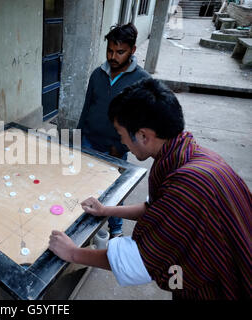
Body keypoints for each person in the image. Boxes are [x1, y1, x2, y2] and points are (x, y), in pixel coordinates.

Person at [49, 78, 252, 299]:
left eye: (121, 134)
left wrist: (73, 253)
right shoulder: (188, 154)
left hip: (224, 287)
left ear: (143, 136)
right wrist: (106, 210)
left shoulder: (189, 185)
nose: (122, 142)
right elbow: (155, 210)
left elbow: (142, 261)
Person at [77, 23, 151, 239]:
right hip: (89, 140)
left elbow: (139, 123)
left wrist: (120, 147)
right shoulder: (97, 75)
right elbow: (86, 108)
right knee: (85, 183)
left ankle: (116, 231)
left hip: (115, 148)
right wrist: (77, 139)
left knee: (112, 192)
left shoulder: (142, 80)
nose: (113, 56)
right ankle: (81, 227)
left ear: (132, 51)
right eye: (110, 50)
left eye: (120, 52)